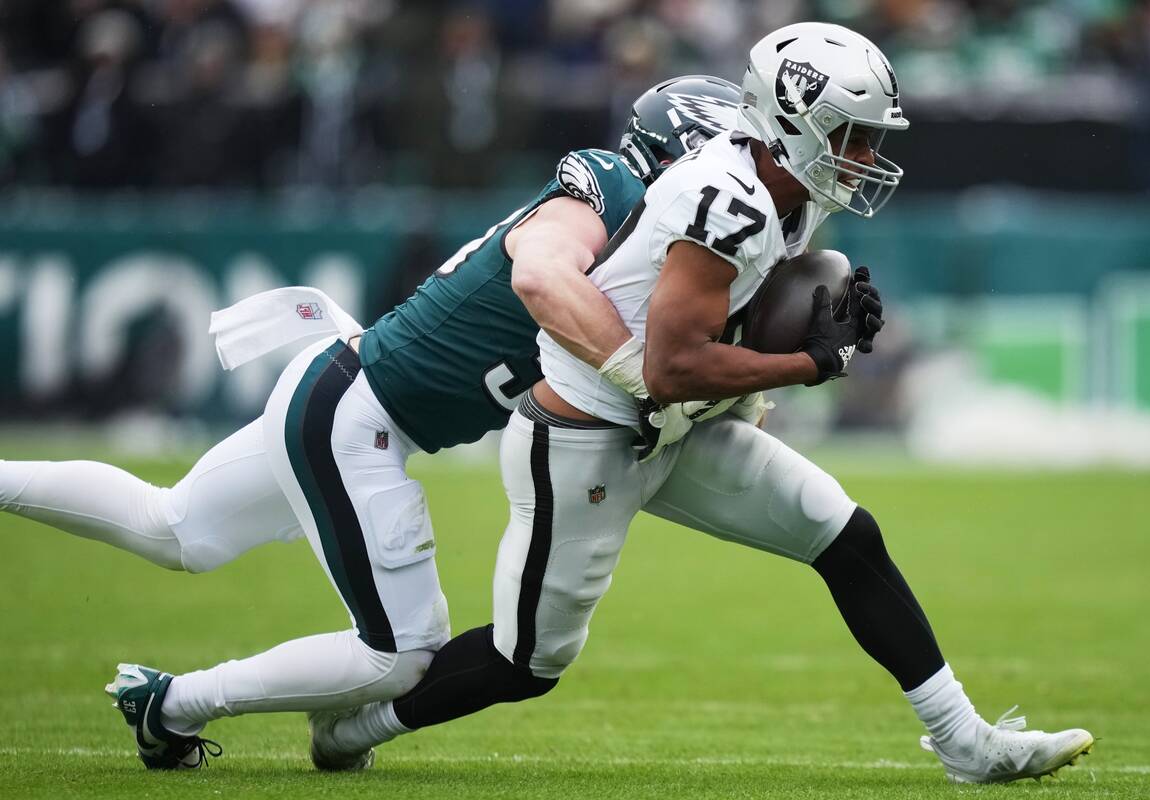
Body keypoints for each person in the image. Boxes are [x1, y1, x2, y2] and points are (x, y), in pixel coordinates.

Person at [313, 23, 1094, 785]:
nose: (867, 158)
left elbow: (724, 336)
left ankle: (967, 742)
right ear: (795, 124)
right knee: (530, 661)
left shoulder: (796, 188)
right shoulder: (725, 198)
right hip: (589, 434)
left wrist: (811, 329)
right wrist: (808, 361)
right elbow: (672, 366)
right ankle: (358, 725)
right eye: (852, 136)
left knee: (846, 537)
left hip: (672, 427)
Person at [0, 76, 743, 770]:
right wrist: (636, 372)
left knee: (175, 529)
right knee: (401, 654)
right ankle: (173, 705)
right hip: (358, 410)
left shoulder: (660, 244)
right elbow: (544, 273)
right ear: (676, 154)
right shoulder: (608, 192)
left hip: (351, 395)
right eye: (723, 156)